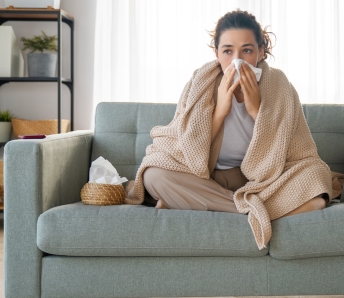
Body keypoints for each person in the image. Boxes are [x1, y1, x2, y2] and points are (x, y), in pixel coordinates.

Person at [126, 9, 333, 250]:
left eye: (247, 50)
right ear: (216, 53)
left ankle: (190, 203)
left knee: (318, 175)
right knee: (154, 176)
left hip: (264, 180)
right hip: (210, 176)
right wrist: (220, 111)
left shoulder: (278, 85)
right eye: (227, 51)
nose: (238, 60)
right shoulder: (201, 82)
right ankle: (259, 211)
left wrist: (257, 110)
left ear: (260, 52)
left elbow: (292, 151)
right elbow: (189, 152)